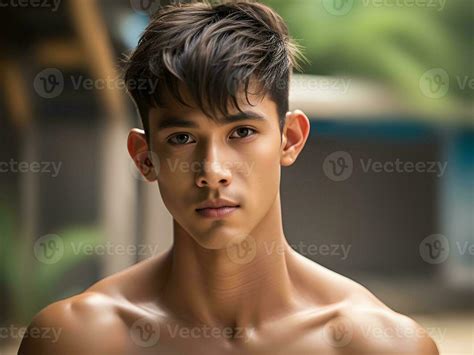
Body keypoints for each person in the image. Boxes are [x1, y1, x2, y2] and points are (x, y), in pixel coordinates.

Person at [19, 1, 439, 354]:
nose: (212, 171)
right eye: (182, 137)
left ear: (289, 139)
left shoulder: (378, 345)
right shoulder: (80, 340)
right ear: (145, 158)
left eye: (241, 132)